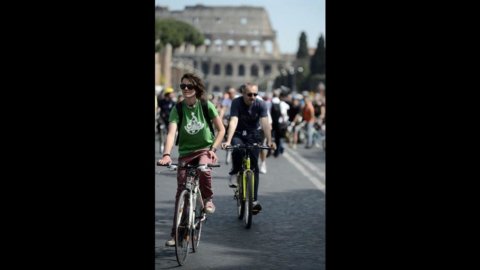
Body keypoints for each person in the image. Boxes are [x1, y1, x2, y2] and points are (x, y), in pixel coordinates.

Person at [158, 73, 225, 247]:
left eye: (190, 86)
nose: (186, 89)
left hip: (204, 149)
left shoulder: (206, 105)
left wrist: (213, 149)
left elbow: (221, 130)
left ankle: (208, 199)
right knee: (181, 192)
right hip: (185, 153)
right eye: (183, 86)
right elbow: (172, 133)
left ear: (197, 89)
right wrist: (166, 154)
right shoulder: (178, 108)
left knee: (204, 168)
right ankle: (176, 234)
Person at [221, 83, 275, 214]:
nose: (253, 97)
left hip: (253, 135)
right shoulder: (236, 102)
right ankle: (234, 172)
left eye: (255, 94)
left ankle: (254, 200)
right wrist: (228, 140)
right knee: (237, 149)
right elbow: (233, 120)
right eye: (249, 94)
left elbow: (265, 123)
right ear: (243, 93)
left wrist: (269, 140)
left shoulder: (260, 104)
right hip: (238, 133)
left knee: (254, 167)